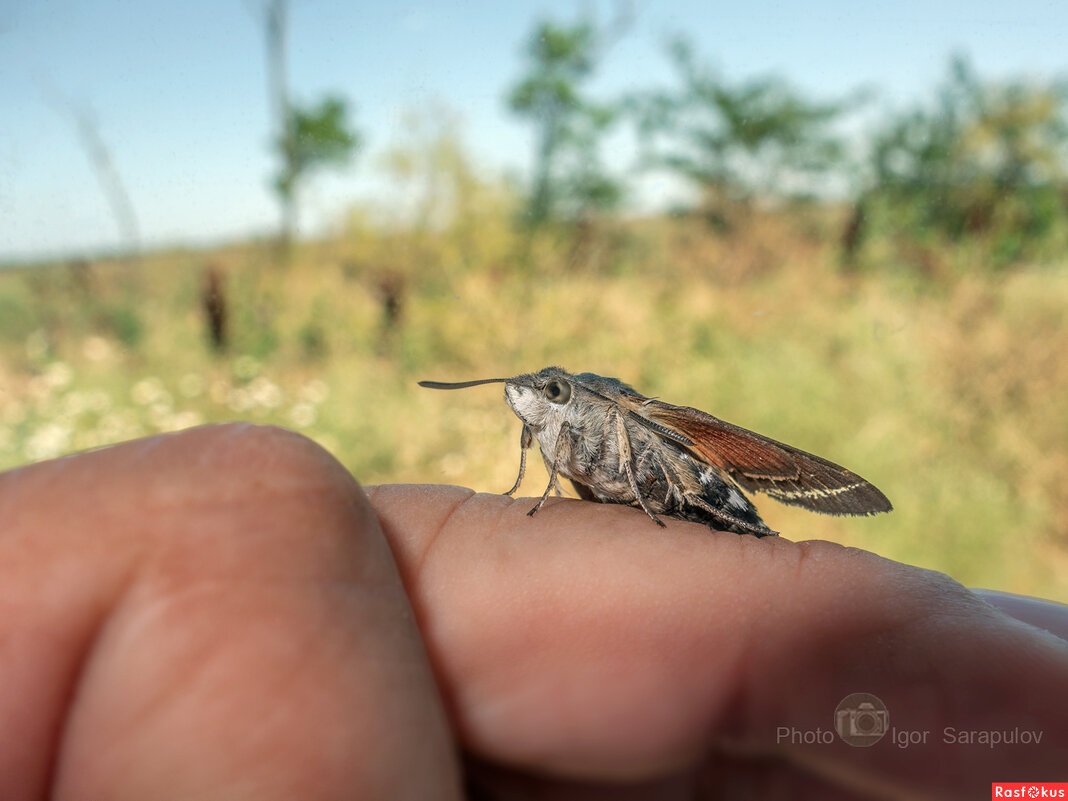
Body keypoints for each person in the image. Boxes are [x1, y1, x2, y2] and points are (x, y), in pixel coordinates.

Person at [1, 423, 1064, 800]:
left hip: (697, 491)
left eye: (543, 401)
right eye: (530, 402)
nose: (532, 414)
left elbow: (643, 469)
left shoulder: (609, 419)